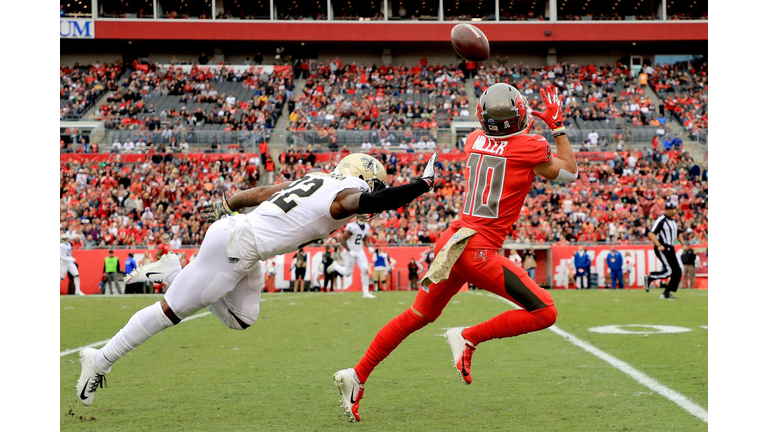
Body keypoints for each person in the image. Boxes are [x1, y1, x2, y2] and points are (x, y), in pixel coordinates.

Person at [76, 152, 439, 407]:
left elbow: (265, 192)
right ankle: (102, 358)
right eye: (371, 187)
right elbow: (379, 202)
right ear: (364, 181)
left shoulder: (316, 178)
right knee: (170, 312)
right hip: (238, 246)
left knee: (242, 318)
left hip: (243, 242)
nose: (371, 194)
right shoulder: (343, 196)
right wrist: (422, 184)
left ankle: (177, 275)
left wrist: (229, 203)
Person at [333, 83, 578, 422]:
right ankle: (468, 336)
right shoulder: (531, 146)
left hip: (453, 239)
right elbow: (568, 172)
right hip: (478, 250)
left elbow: (508, 150)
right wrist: (558, 127)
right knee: (545, 312)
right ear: (520, 115)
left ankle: (356, 375)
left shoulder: (473, 139)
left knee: (417, 316)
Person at [644, 201, 684, 299]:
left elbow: (677, 234)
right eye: (668, 209)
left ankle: (666, 293)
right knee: (670, 271)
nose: (670, 211)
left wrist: (683, 243)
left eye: (671, 209)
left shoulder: (673, 221)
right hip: (663, 247)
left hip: (671, 248)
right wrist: (658, 245)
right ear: (665, 210)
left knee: (677, 272)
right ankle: (650, 278)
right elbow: (651, 234)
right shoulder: (661, 220)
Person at [332, 215, 375, 298]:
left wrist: (368, 247)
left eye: (363, 217)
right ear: (357, 217)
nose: (362, 218)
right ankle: (335, 266)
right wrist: (349, 251)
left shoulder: (366, 227)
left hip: (359, 251)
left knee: (365, 269)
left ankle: (365, 293)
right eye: (360, 217)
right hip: (350, 251)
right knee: (347, 273)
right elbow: (343, 240)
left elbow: (364, 239)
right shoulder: (352, 227)